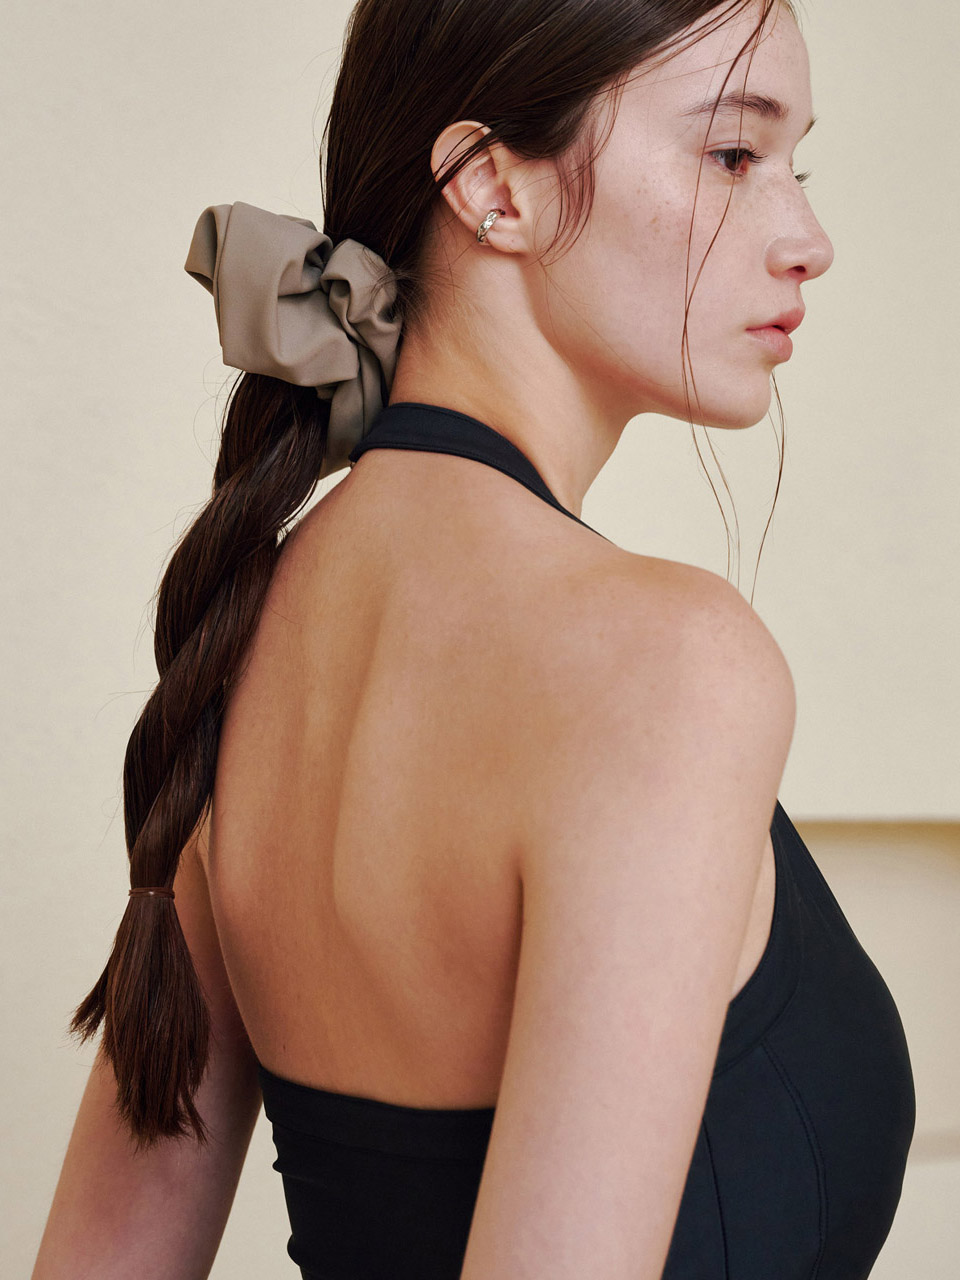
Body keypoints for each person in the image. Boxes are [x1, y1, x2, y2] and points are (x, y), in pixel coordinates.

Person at [33, 1, 916, 1277]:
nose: (808, 240)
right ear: (495, 188)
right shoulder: (668, 665)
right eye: (733, 154)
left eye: (798, 164)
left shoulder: (251, 627)